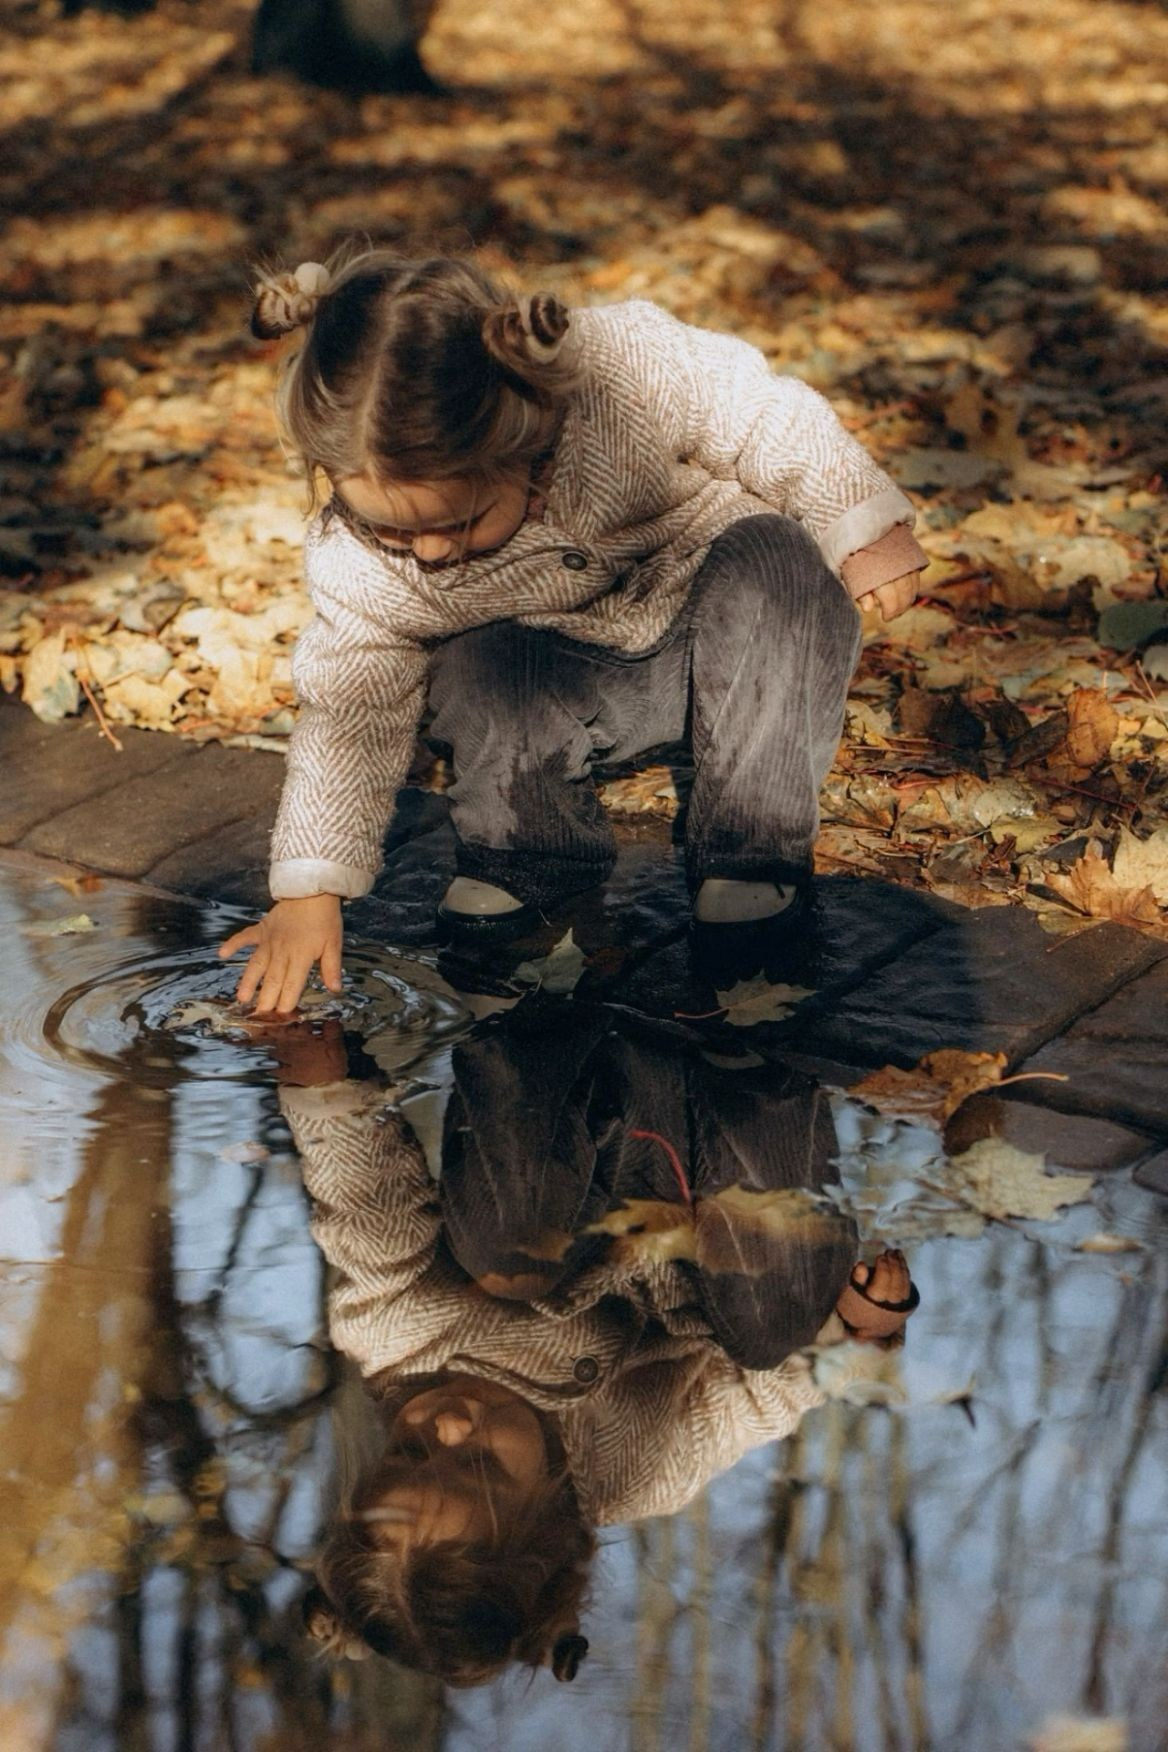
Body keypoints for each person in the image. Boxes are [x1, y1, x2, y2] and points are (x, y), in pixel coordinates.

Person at [219, 249, 927, 1013]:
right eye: (394, 531)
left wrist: (858, 519)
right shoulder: (359, 561)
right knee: (477, 664)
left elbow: (760, 412)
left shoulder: (616, 374)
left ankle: (749, 857)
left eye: (458, 523)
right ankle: (530, 857)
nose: (426, 553)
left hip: (720, 641)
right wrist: (309, 890)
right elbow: (349, 715)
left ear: (517, 439)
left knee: (783, 558)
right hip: (559, 689)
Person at [264, 1005, 918, 1685]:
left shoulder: (395, 1333)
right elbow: (757, 1403)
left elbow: (368, 1207)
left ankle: (542, 1008)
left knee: (506, 1261)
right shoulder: (637, 1474)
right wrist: (853, 1335)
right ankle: (758, 1061)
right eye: (481, 1464)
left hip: (564, 1107)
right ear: (548, 1523)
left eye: (409, 1449)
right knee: (772, 1331)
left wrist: (326, 1091)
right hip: (708, 1182)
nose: (448, 1426)